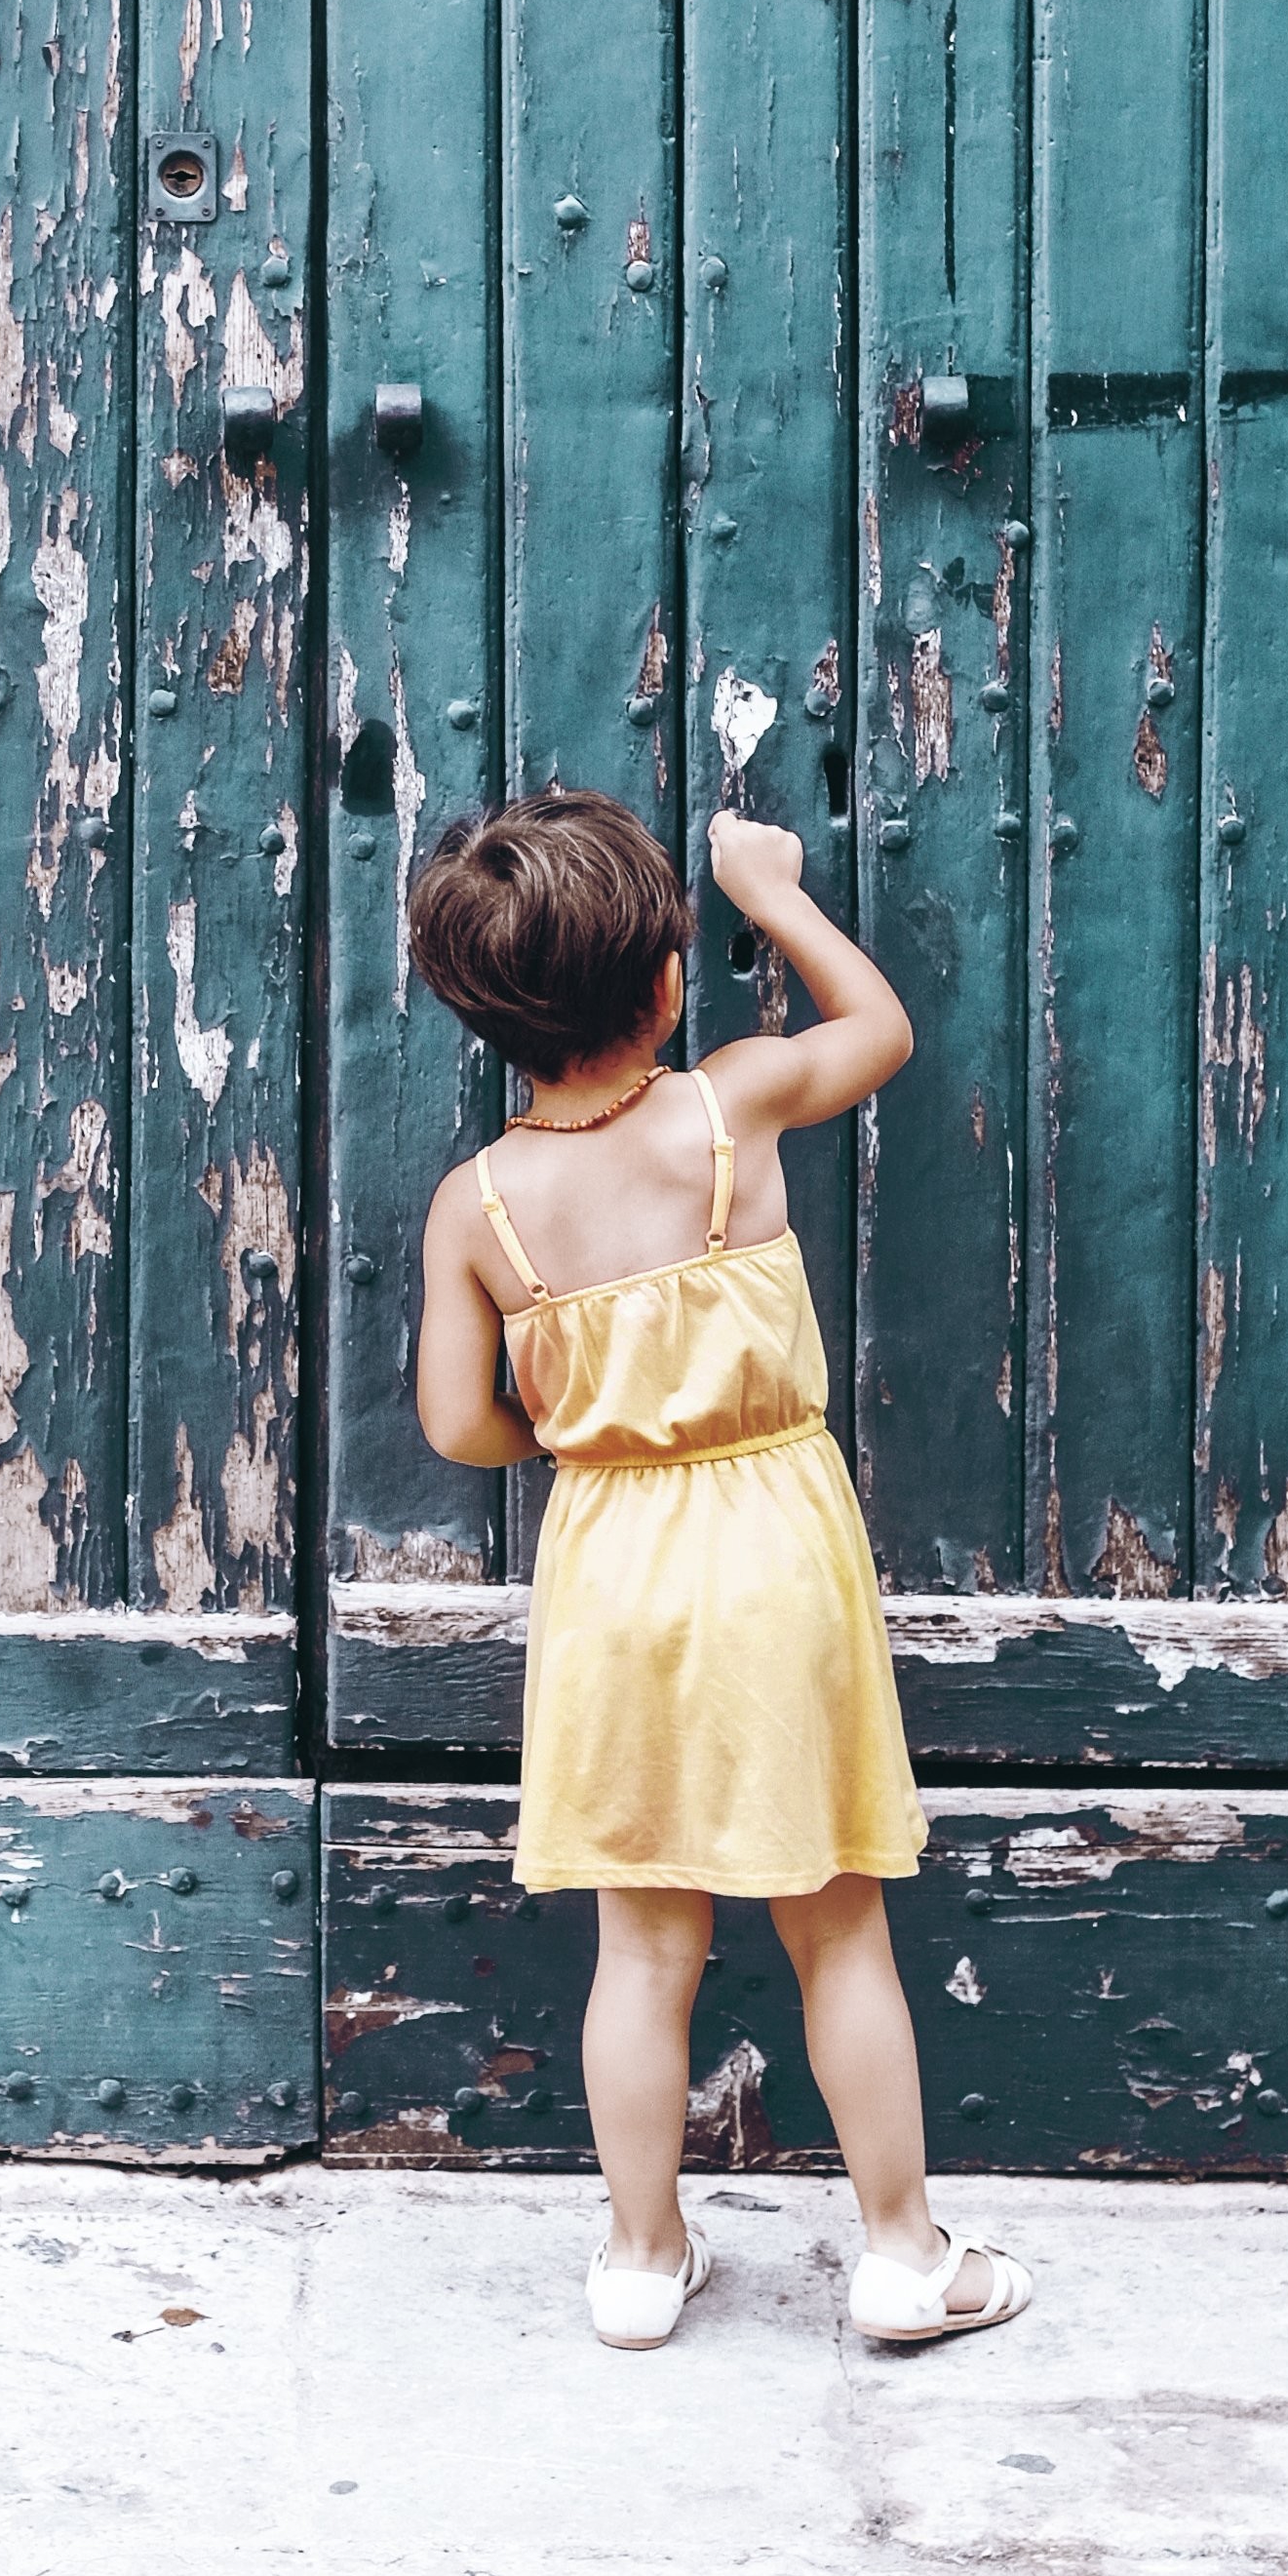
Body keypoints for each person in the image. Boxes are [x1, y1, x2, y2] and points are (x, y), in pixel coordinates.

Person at [409, 787, 1031, 2357]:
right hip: (772, 1544)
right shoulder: (726, 1107)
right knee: (836, 1925)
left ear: (483, 1016)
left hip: (613, 1562)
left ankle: (637, 2258)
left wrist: (582, 1429)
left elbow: (458, 1424)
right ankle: (900, 2255)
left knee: (643, 1939)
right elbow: (876, 1030)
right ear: (671, 981)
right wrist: (774, 891)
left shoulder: (476, 1210)